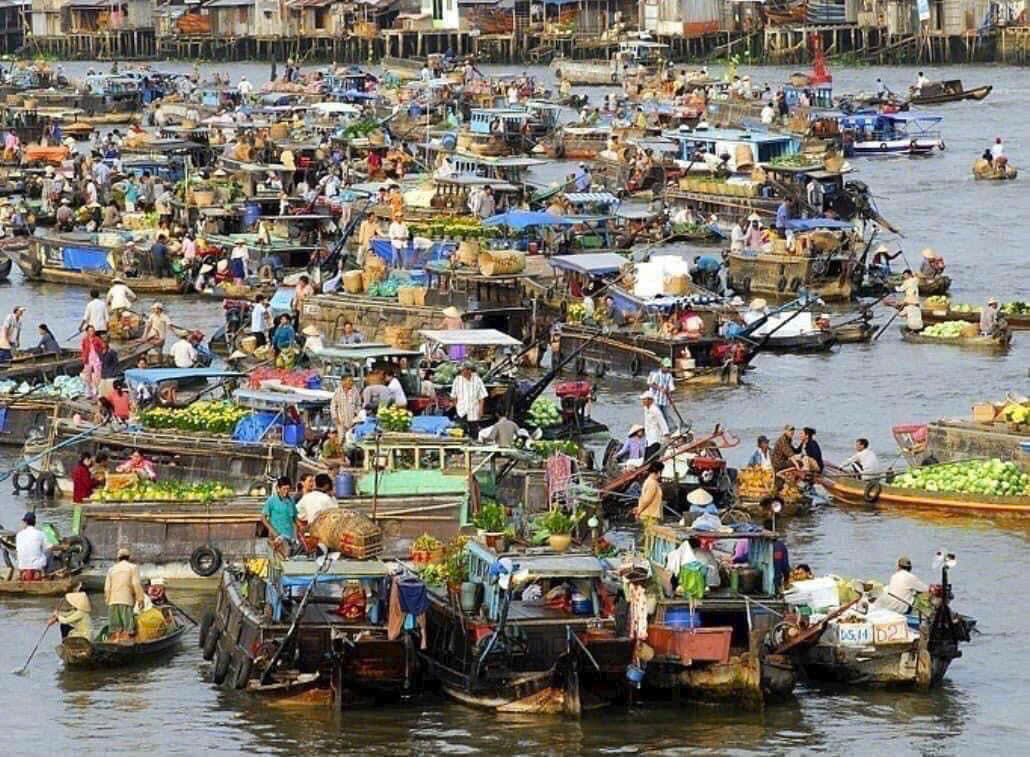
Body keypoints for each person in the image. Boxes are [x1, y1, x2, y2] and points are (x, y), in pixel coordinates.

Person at [105, 547, 145, 642]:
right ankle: (126, 641)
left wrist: (107, 599)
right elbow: (136, 584)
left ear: (118, 558)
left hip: (113, 601)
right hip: (126, 600)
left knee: (115, 627)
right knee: (128, 627)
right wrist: (140, 598)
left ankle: (117, 640)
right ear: (129, 557)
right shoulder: (133, 567)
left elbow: (107, 587)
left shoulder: (111, 569)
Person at [262, 476, 298, 546]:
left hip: (289, 537)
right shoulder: (271, 501)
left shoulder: (291, 501)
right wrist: (273, 532)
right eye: (284, 489)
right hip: (276, 538)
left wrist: (295, 536)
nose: (286, 491)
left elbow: (295, 520)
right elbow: (263, 518)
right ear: (278, 488)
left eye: (288, 489)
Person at [452, 362, 488, 431]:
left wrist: (481, 409)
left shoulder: (477, 380)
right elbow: (453, 396)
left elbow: (482, 397)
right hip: (461, 411)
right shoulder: (457, 380)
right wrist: (457, 408)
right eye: (461, 370)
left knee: (474, 431)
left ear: (469, 370)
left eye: (463, 370)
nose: (462, 372)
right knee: (461, 431)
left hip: (474, 411)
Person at [16, 512, 49, 580]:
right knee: (50, 552)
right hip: (37, 566)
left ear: (25, 522)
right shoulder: (41, 534)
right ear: (35, 522)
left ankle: (22, 573)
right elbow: (47, 548)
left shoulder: (19, 535)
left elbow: (18, 550)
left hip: (22, 565)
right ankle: (47, 573)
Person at [647, 358, 676, 428]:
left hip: (665, 401)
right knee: (656, 417)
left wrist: (670, 396)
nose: (668, 369)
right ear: (662, 366)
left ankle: (671, 431)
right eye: (667, 367)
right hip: (655, 400)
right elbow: (650, 384)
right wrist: (660, 388)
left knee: (668, 416)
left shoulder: (669, 376)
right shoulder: (654, 373)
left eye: (669, 367)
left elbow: (671, 388)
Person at [641, 391, 669, 460]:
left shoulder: (655, 410)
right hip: (648, 436)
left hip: (655, 437)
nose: (643, 401)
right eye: (643, 399)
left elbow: (662, 422)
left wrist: (666, 434)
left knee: (653, 456)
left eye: (644, 399)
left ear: (650, 400)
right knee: (647, 457)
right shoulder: (646, 409)